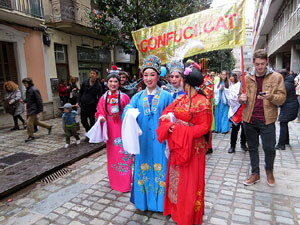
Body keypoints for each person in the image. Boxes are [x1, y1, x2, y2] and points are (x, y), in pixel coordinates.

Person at [156, 62, 212, 225]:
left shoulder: (203, 102)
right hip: (178, 146)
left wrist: (177, 128)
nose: (179, 83)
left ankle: (187, 215)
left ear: (188, 83)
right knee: (177, 181)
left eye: (182, 81)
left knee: (189, 184)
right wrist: (171, 123)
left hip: (193, 149)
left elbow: (204, 128)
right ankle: (176, 210)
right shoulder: (180, 98)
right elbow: (166, 113)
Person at [122, 55, 173, 212]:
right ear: (142, 77)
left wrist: (170, 120)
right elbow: (126, 111)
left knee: (161, 170)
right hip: (142, 141)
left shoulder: (166, 96)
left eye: (152, 74)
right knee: (142, 169)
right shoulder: (137, 97)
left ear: (158, 76)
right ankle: (143, 202)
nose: (149, 78)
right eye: (146, 75)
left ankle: (160, 204)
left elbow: (174, 114)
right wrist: (130, 113)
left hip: (160, 141)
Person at [239, 49, 286, 186]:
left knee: (269, 148)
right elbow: (241, 97)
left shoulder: (276, 77)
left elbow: (282, 99)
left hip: (267, 119)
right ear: (253, 62)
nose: (260, 67)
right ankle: (255, 173)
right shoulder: (246, 78)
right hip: (249, 118)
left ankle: (269, 170)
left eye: (262, 64)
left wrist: (270, 96)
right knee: (252, 148)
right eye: (257, 64)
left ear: (267, 62)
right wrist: (241, 99)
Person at [96, 72, 131, 192]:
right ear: (107, 83)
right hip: (110, 129)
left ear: (119, 83)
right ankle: (115, 182)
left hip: (122, 128)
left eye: (115, 81)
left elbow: (129, 111)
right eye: (111, 81)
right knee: (113, 156)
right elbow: (100, 111)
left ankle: (125, 183)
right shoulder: (103, 98)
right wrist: (101, 117)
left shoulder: (124, 97)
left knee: (124, 154)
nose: (113, 84)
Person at [22, 77, 52, 142]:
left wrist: (40, 109)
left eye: (25, 83)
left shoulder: (34, 90)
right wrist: (24, 101)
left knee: (29, 122)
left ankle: (31, 136)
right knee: (36, 122)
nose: (24, 85)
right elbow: (28, 99)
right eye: (24, 83)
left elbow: (39, 100)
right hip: (29, 108)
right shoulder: (28, 90)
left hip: (34, 109)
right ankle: (49, 126)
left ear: (29, 83)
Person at [276, 69, 299, 150]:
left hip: (289, 106)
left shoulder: (286, 84)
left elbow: (281, 94)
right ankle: (285, 141)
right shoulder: (288, 81)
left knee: (283, 123)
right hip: (289, 105)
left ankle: (281, 144)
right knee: (284, 123)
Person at [76, 69, 103, 135]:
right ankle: (89, 131)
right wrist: (77, 102)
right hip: (84, 105)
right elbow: (80, 93)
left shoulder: (98, 86)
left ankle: (91, 134)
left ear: (97, 75)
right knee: (83, 120)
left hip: (92, 106)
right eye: (91, 73)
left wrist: (99, 107)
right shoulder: (85, 82)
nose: (92, 75)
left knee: (92, 121)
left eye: (94, 74)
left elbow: (100, 98)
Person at [227, 73, 248, 153]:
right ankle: (232, 146)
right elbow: (232, 98)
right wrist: (240, 100)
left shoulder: (249, 87)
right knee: (235, 129)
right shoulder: (235, 87)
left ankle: (243, 144)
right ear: (240, 77)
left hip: (245, 111)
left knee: (245, 129)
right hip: (236, 111)